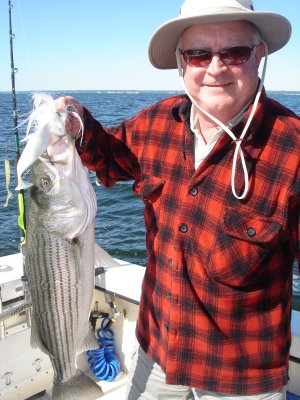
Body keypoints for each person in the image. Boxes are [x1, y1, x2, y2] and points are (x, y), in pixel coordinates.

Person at [57, 0, 300, 398]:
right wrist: (75, 122)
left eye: (234, 52)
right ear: (181, 62)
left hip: (241, 376)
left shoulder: (294, 149)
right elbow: (110, 156)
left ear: (260, 55)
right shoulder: (154, 122)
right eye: (199, 54)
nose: (216, 68)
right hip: (158, 348)